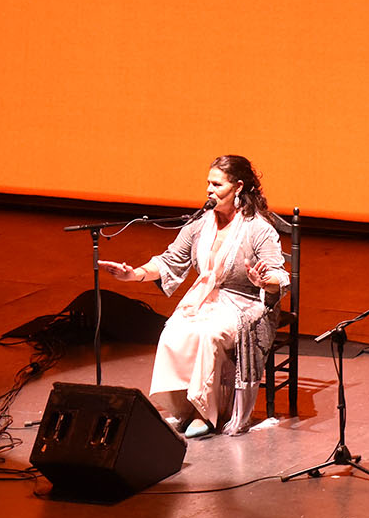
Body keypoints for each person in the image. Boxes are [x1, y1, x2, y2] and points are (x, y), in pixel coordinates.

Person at [99, 155, 289, 438]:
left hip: (245, 303)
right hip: (206, 298)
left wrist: (264, 280)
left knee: (206, 335)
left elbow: (279, 276)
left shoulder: (258, 228)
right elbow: (169, 261)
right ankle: (183, 409)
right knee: (173, 331)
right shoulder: (200, 224)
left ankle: (205, 412)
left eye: (216, 184)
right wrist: (134, 274)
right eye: (207, 184)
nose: (209, 190)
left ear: (238, 187)